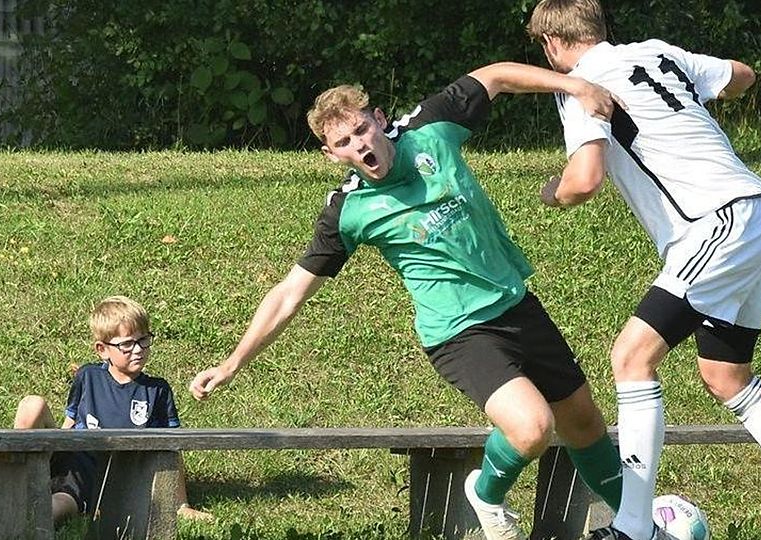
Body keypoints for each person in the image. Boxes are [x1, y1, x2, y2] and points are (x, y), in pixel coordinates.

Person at [189, 63, 625, 540]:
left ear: (379, 119)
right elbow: (290, 292)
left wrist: (574, 85)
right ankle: (486, 494)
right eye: (344, 142)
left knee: (584, 423)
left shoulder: (431, 128)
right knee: (532, 428)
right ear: (331, 155)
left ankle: (635, 522)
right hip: (459, 333)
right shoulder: (348, 211)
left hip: (516, 304)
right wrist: (232, 363)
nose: (359, 144)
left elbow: (496, 76)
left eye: (362, 129)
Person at [518, 2, 761, 540]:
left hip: (713, 221)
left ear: (551, 44)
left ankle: (633, 527)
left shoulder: (580, 85)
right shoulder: (657, 53)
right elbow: (741, 76)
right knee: (726, 375)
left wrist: (551, 193)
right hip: (756, 210)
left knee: (631, 358)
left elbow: (584, 180)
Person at [14, 295, 211, 525]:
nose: (138, 349)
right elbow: (70, 424)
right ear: (102, 349)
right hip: (77, 468)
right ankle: (15, 489)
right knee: (32, 404)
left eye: (143, 340)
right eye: (127, 344)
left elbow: (172, 448)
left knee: (53, 511)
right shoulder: (87, 376)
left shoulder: (157, 390)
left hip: (116, 478)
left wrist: (180, 504)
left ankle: (25, 516)